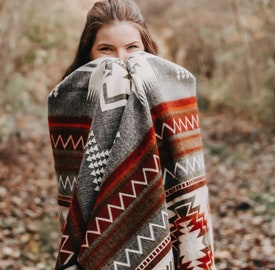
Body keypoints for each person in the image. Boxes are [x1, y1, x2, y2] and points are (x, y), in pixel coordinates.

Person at [48, 0, 216, 269]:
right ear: (88, 55)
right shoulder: (71, 103)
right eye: (106, 49)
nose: (121, 60)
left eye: (132, 48)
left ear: (147, 50)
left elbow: (187, 182)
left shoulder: (171, 96)